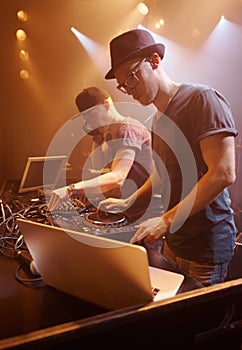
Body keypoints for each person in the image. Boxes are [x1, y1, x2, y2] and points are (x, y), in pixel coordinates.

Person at [98, 28, 238, 286]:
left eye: (131, 77)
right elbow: (162, 173)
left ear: (154, 61)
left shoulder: (202, 99)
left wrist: (165, 220)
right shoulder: (156, 121)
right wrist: (130, 199)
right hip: (174, 241)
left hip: (206, 246)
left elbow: (223, 172)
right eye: (122, 84)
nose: (128, 89)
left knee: (200, 322)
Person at [48, 86, 155, 221]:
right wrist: (97, 137)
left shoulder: (129, 129)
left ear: (105, 105)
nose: (91, 123)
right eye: (86, 119)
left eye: (92, 116)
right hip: (129, 207)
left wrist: (71, 190)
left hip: (147, 212)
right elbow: (97, 168)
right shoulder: (109, 136)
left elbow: (118, 177)